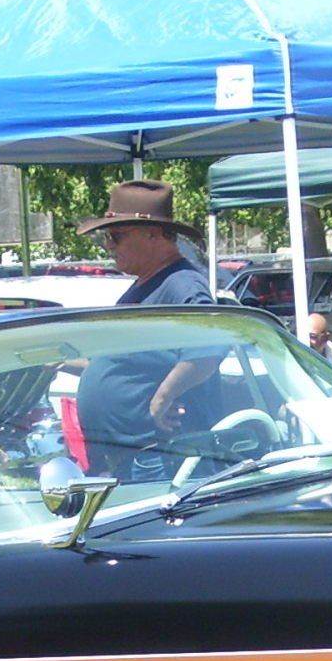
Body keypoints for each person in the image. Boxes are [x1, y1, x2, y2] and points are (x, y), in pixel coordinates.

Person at [72, 180, 219, 476]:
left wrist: (162, 398)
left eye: (116, 236)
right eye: (106, 237)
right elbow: (132, 361)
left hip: (155, 459)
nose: (108, 246)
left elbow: (209, 349)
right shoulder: (149, 284)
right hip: (132, 459)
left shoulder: (182, 284)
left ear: (153, 234)